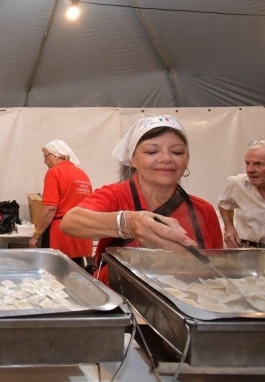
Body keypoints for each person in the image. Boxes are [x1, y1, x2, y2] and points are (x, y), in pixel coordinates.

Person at [61, 115, 223, 285]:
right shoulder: (116, 195)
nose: (166, 159)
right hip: (119, 297)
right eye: (152, 151)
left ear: (187, 159)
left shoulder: (204, 211)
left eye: (177, 152)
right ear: (133, 159)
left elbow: (218, 269)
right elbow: (71, 221)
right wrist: (129, 223)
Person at [217, 140, 265, 253]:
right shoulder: (237, 183)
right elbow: (224, 204)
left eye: (258, 164)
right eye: (247, 163)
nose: (249, 170)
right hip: (246, 252)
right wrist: (229, 228)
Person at [28, 140, 94, 269]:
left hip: (61, 236)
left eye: (46, 156)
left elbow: (50, 208)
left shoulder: (54, 172)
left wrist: (36, 235)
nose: (45, 161)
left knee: (54, 275)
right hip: (81, 234)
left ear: (56, 155)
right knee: (76, 273)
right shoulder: (82, 174)